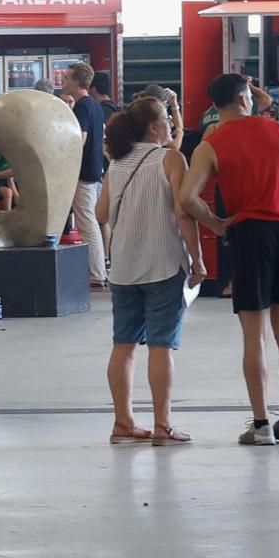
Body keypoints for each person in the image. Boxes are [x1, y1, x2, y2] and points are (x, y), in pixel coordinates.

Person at [180, 73, 279, 447]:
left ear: (215, 106)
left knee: (253, 336)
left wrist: (218, 223)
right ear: (246, 98)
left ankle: (260, 425)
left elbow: (187, 198)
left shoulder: (210, 145)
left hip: (249, 236)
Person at [97, 97, 203, 446]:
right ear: (154, 127)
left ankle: (123, 422)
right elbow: (184, 212)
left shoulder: (117, 163)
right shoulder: (170, 159)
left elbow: (100, 214)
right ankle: (162, 425)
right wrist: (198, 259)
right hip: (163, 265)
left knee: (123, 345)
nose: (172, 125)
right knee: (161, 346)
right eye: (168, 120)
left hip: (123, 268)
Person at [64, 63, 109, 288]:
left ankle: (96, 273)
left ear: (76, 81)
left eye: (67, 77)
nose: (63, 81)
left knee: (87, 223)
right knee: (90, 221)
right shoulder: (95, 106)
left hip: (82, 172)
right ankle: (98, 270)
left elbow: (79, 140)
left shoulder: (82, 107)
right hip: (95, 170)